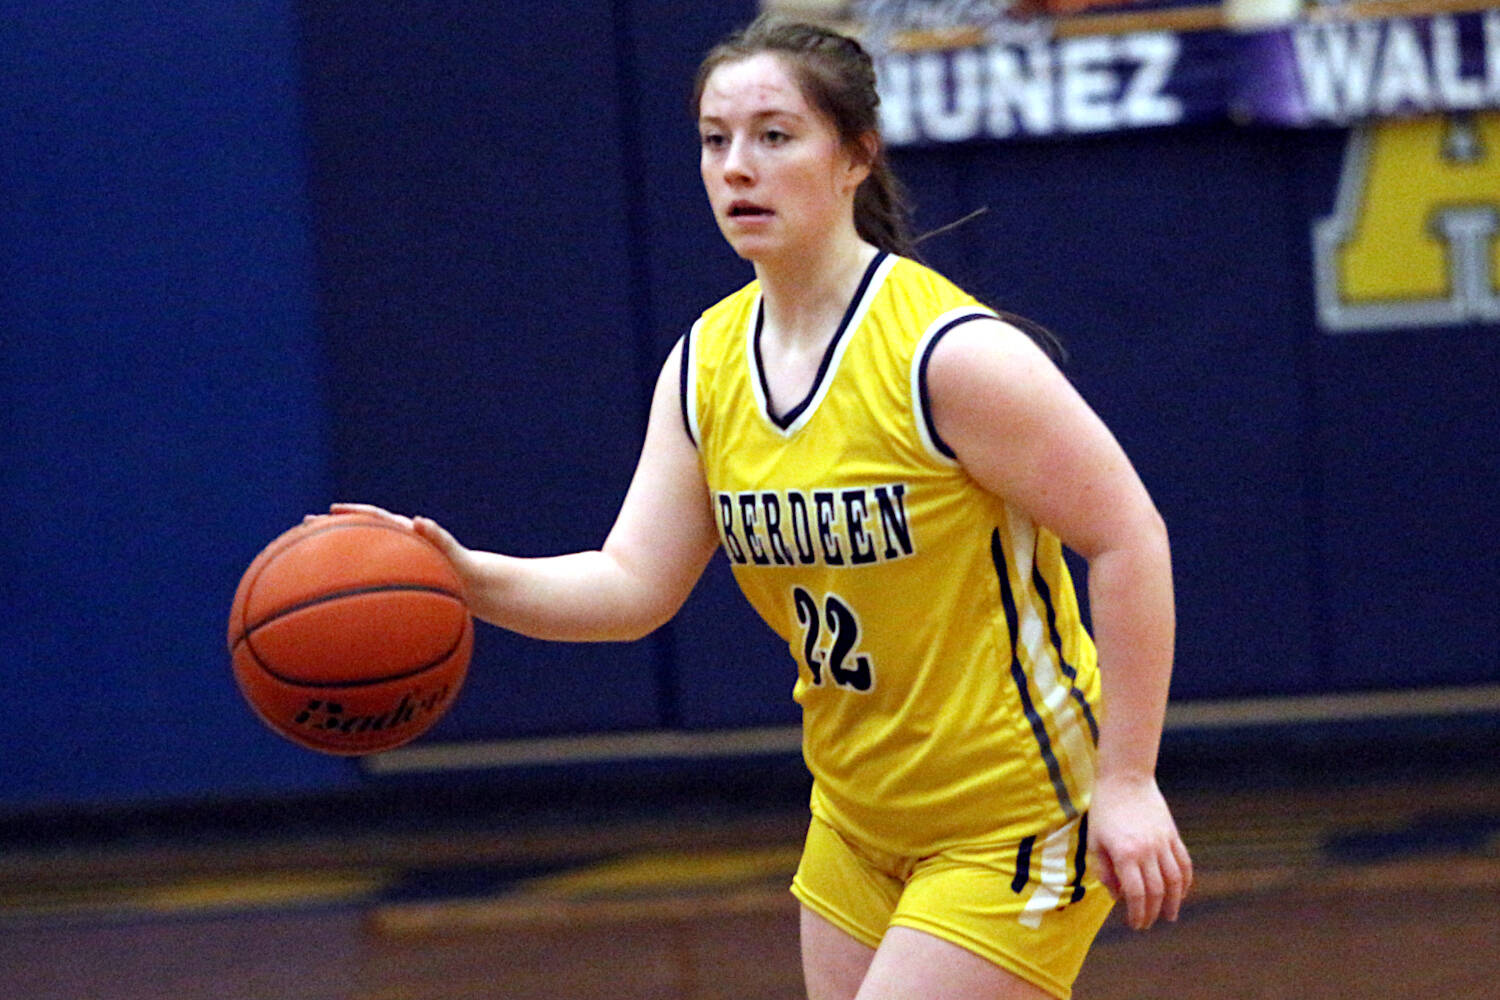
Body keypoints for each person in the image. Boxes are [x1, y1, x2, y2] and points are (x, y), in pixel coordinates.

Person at [333, 15, 1191, 1000]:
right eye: (715, 139)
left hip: (1016, 810)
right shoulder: (706, 365)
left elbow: (1129, 535)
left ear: (855, 156)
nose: (738, 166)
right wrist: (461, 575)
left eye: (775, 136)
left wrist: (1126, 780)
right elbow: (631, 584)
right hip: (857, 813)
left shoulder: (949, 355)